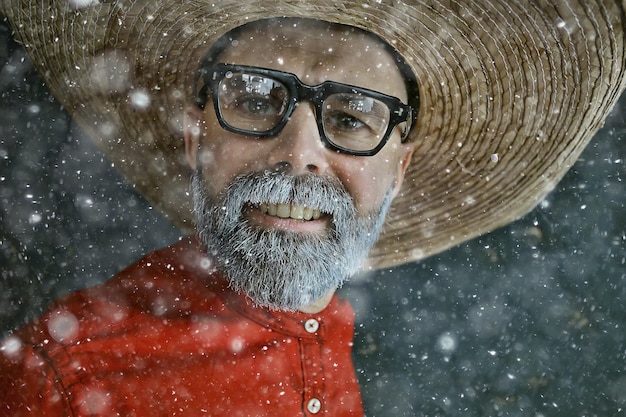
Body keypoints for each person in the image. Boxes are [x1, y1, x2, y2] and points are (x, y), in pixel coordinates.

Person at [1, 1, 624, 416]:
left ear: (398, 170)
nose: (299, 155)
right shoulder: (61, 376)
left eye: (351, 119)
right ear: (196, 138)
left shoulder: (340, 334)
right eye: (252, 102)